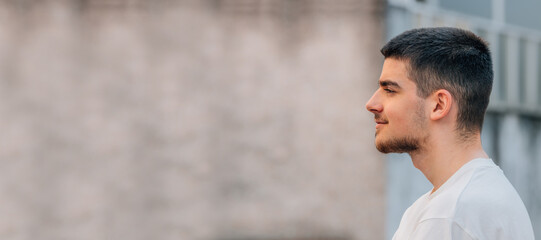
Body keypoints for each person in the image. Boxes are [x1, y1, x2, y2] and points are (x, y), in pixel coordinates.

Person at [365, 27, 535, 239]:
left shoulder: (449, 215)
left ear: (439, 104)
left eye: (389, 90)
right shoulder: (485, 196)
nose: (371, 104)